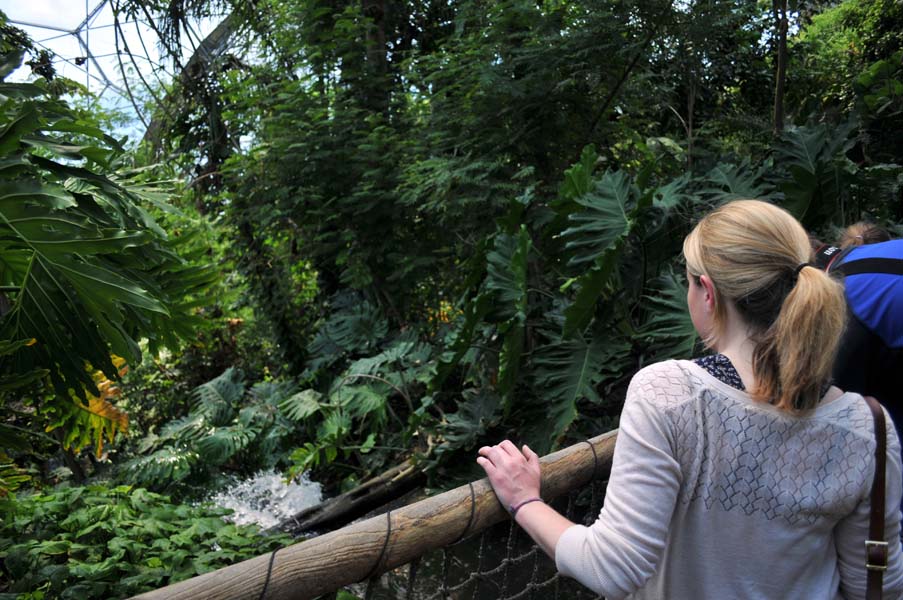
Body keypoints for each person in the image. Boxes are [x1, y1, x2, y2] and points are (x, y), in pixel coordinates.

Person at [477, 200, 903, 599]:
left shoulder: (670, 394)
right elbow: (878, 585)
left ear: (707, 292)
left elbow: (612, 566)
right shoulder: (868, 425)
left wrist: (524, 500)